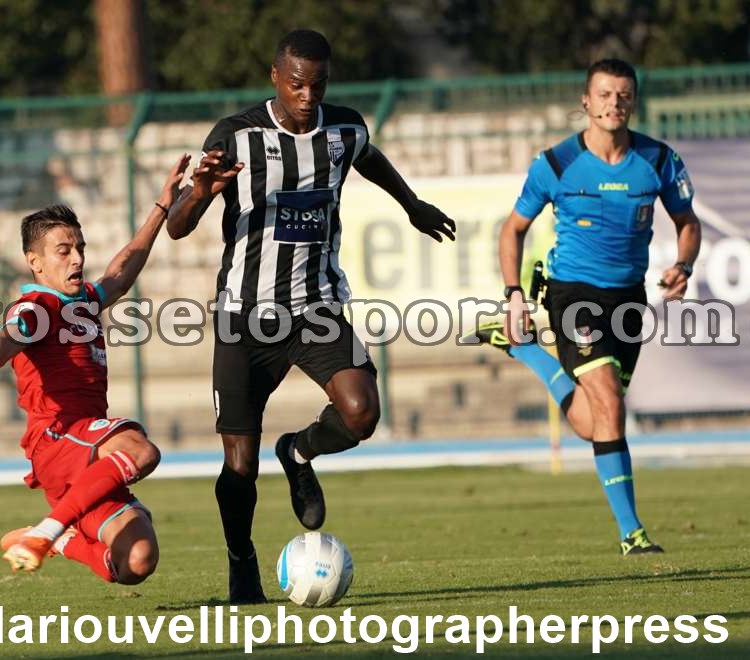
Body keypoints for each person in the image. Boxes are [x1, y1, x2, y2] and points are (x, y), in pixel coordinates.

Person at [166, 29, 456, 603]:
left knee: (362, 412)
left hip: (316, 309)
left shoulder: (344, 129)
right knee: (239, 464)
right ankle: (241, 562)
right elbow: (177, 226)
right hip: (245, 317)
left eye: (317, 85)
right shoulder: (237, 136)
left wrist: (413, 205)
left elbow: (370, 158)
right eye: (297, 84)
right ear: (275, 77)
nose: (306, 96)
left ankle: (297, 453)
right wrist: (199, 192)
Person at [0, 155, 191, 583]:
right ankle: (47, 530)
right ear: (35, 262)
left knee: (136, 561)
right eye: (64, 251)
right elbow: (9, 337)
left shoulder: (83, 301)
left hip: (85, 455)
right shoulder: (37, 306)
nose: (77, 259)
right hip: (58, 438)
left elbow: (121, 273)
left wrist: (162, 208)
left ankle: (62, 539)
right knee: (141, 451)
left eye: (80, 249)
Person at [483, 59, 702, 555]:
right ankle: (632, 533)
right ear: (586, 101)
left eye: (623, 94)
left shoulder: (658, 159)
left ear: (634, 101)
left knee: (593, 420)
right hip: (572, 294)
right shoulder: (557, 163)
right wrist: (514, 294)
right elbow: (512, 230)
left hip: (628, 298)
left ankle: (525, 351)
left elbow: (688, 222)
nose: (613, 103)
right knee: (609, 404)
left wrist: (684, 264)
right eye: (604, 94)